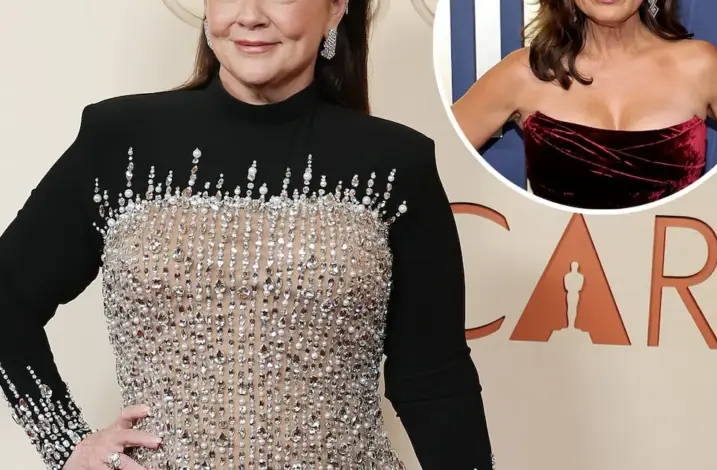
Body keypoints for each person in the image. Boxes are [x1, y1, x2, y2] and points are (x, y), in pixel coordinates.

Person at [0, 1, 495, 469]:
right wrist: (65, 441)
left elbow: (435, 380)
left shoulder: (396, 164)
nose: (251, 16)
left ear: (336, 8)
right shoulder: (119, 140)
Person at [452, 0, 717, 210]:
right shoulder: (525, 72)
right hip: (557, 273)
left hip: (674, 274)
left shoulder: (701, 67)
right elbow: (434, 155)